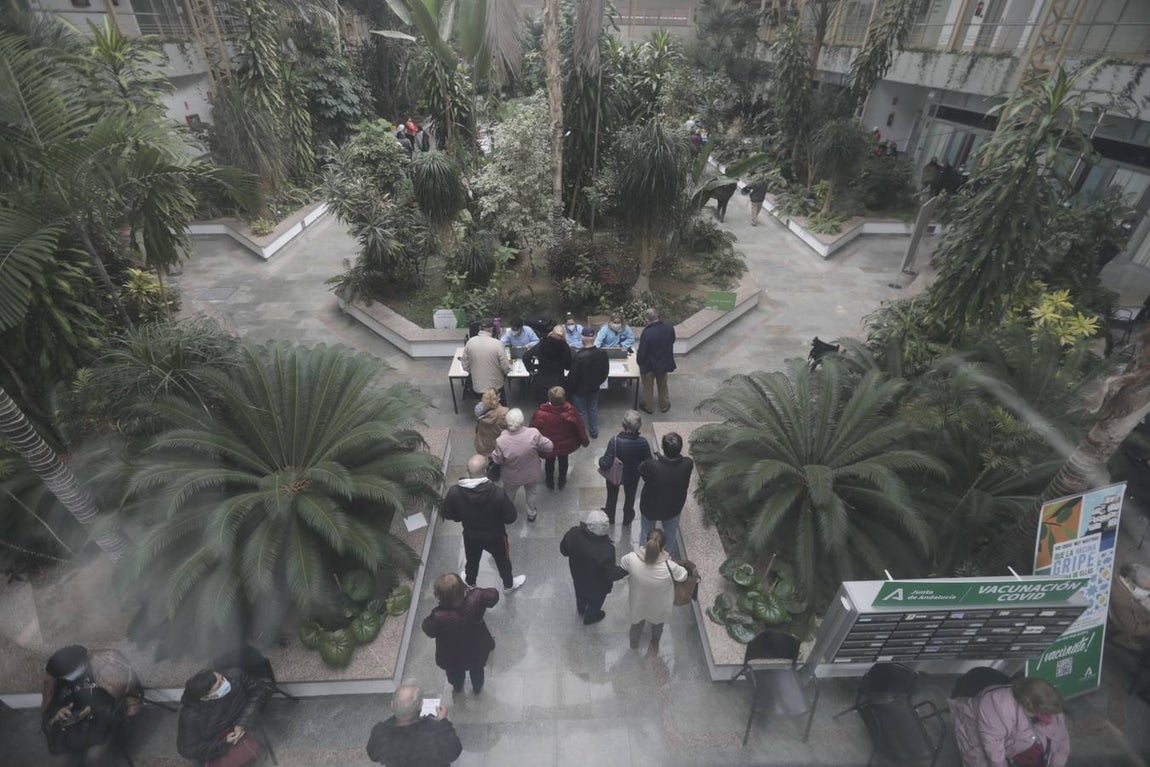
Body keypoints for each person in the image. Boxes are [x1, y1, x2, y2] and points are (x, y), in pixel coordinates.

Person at [41, 645, 142, 765]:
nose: (69, 676)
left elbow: (119, 694)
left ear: (82, 663)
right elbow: (51, 704)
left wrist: (93, 706)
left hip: (100, 716)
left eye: (70, 672)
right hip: (71, 721)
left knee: (94, 757)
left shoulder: (100, 669)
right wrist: (57, 711)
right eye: (65, 675)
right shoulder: (60, 680)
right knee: (60, 758)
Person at [441, 454, 526, 593]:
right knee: (503, 562)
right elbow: (511, 517)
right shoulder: (498, 494)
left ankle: (470, 582)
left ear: (468, 472)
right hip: (496, 537)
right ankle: (508, 585)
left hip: (471, 535)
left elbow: (447, 513)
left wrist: (460, 517)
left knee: (472, 560)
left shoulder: (454, 492)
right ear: (485, 471)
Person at [951, 677, 1070, 767]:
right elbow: (994, 753)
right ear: (1029, 705)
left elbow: (1061, 740)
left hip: (1017, 740)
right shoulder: (996, 705)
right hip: (978, 734)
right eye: (1045, 713)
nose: (1050, 717)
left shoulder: (1048, 702)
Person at [421, 574, 499, 695]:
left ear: (437, 596)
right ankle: (477, 689)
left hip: (452, 657)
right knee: (478, 671)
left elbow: (428, 629)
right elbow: (493, 595)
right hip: (476, 650)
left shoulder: (437, 616)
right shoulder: (477, 597)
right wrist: (473, 591)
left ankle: (457, 687)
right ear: (463, 587)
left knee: (454, 676)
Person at [176, 666, 270, 764]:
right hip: (218, 743)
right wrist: (223, 744)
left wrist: (242, 723)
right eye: (219, 685)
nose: (226, 682)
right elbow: (188, 750)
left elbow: (259, 691)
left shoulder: (235, 676)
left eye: (222, 678)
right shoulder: (190, 716)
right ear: (206, 697)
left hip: (244, 723)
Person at [620, 529, 688, 652]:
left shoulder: (632, 558)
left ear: (646, 541)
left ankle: (634, 643)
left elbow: (622, 564)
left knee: (637, 623)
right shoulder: (670, 566)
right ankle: (654, 643)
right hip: (659, 606)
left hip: (638, 603)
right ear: (664, 547)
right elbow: (683, 576)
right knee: (658, 624)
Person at [366, 682, 462, 766]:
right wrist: (444, 722)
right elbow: (455, 751)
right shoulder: (436, 730)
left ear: (392, 705)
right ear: (421, 705)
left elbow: (373, 755)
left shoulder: (380, 733)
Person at [560, 510, 626, 625]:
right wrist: (626, 569)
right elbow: (611, 574)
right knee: (596, 603)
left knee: (580, 595)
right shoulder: (607, 550)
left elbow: (563, 550)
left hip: (578, 578)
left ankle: (581, 609)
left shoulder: (573, 534)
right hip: (598, 587)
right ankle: (591, 617)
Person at [490, 408, 553, 523]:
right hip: (532, 473)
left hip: (512, 477)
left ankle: (508, 511)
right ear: (522, 421)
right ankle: (531, 513)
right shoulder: (533, 433)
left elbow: (497, 460)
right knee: (532, 493)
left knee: (509, 494)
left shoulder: (501, 441)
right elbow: (549, 446)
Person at [638, 432, 694, 556]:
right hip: (673, 508)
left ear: (663, 447)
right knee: (670, 533)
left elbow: (642, 470)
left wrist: (659, 458)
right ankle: (666, 557)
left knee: (646, 532)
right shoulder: (687, 464)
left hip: (650, 508)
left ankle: (643, 554)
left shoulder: (652, 466)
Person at [530, 386, 589, 490]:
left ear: (549, 398)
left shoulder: (541, 414)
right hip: (565, 444)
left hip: (548, 444)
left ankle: (549, 481)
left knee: (549, 462)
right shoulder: (571, 410)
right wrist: (584, 441)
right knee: (563, 461)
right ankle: (562, 480)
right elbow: (580, 426)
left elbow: (532, 429)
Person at [600, 409, 652, 526]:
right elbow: (649, 462)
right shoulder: (643, 443)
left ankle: (610, 516)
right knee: (630, 498)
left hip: (615, 475)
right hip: (633, 476)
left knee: (612, 497)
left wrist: (600, 460)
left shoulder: (615, 441)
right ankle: (627, 518)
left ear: (623, 425)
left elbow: (605, 464)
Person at [567, 327, 610, 438]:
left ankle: (580, 434)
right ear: (594, 337)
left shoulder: (578, 356)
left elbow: (573, 376)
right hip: (594, 388)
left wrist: (571, 389)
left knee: (580, 413)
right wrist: (597, 383)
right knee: (593, 409)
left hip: (580, 390)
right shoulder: (602, 353)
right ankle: (594, 432)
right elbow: (605, 372)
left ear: (582, 338)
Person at [461, 318, 510, 405]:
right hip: (496, 386)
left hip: (478, 386)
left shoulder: (470, 342)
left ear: (480, 328)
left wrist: (473, 371)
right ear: (492, 329)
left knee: (484, 407)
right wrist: (506, 373)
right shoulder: (497, 344)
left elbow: (464, 364)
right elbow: (505, 367)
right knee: (501, 408)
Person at [636, 308, 676, 414]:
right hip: (663, 362)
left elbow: (643, 352)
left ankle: (648, 407)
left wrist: (639, 362)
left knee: (648, 387)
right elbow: (672, 340)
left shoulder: (647, 333)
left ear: (647, 319)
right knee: (663, 385)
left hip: (649, 365)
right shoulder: (669, 328)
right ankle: (664, 405)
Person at [523, 325, 572, 405]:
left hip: (541, 382)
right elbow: (568, 366)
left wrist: (531, 370)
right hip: (558, 383)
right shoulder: (565, 347)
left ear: (552, 333)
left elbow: (526, 357)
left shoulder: (542, 344)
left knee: (543, 409)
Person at [473, 388, 508, 458]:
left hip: (483, 446)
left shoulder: (480, 413)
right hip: (498, 448)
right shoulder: (504, 413)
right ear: (498, 398)